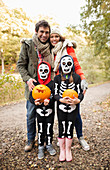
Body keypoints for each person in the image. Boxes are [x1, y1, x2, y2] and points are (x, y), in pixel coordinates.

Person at [50, 27, 90, 151]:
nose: (54, 39)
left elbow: (75, 63)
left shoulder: (67, 47)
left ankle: (80, 136)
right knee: (61, 114)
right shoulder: (49, 50)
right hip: (57, 82)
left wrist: (82, 79)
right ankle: (64, 137)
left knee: (75, 111)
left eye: (57, 36)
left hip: (71, 81)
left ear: (60, 37)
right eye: (52, 36)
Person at [17, 20, 52, 152]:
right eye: (41, 32)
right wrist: (27, 79)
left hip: (47, 85)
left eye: (47, 32)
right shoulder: (28, 45)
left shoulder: (50, 45)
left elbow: (62, 46)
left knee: (46, 115)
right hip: (33, 85)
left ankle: (45, 140)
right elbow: (20, 64)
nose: (44, 35)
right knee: (31, 114)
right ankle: (31, 139)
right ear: (36, 31)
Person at [54, 55, 84, 161]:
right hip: (61, 107)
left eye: (69, 64)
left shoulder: (76, 77)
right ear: (61, 65)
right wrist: (60, 100)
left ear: (72, 66)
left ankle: (68, 149)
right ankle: (62, 150)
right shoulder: (57, 78)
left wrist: (78, 100)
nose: (66, 66)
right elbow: (55, 94)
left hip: (73, 107)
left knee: (70, 126)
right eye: (64, 64)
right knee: (62, 127)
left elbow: (80, 93)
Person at [29, 61, 56, 159]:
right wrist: (34, 102)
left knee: (49, 128)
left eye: (45, 70)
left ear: (48, 72)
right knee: (40, 129)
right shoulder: (35, 83)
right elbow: (31, 96)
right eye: (41, 70)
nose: (43, 73)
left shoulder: (52, 84)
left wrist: (50, 100)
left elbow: (54, 96)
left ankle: (49, 144)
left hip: (50, 112)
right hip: (39, 112)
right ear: (38, 71)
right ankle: (41, 146)